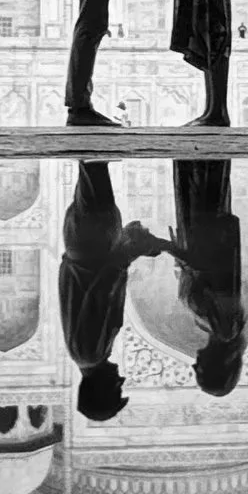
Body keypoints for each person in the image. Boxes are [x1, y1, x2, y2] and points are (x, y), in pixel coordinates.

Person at [59, 159, 173, 421]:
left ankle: (84, 121)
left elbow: (102, 288)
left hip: (93, 239)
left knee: (94, 161)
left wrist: (132, 252)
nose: (120, 379)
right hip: (89, 241)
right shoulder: (86, 353)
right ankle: (86, 122)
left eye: (115, 389)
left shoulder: (90, 352)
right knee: (92, 166)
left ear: (100, 390)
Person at [169, 158, 245, 397]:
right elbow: (213, 269)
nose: (194, 365)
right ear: (217, 367)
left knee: (200, 175)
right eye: (200, 371)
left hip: (200, 233)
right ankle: (214, 125)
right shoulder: (226, 328)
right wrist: (164, 247)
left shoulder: (219, 328)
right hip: (207, 230)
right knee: (204, 175)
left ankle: (208, 127)